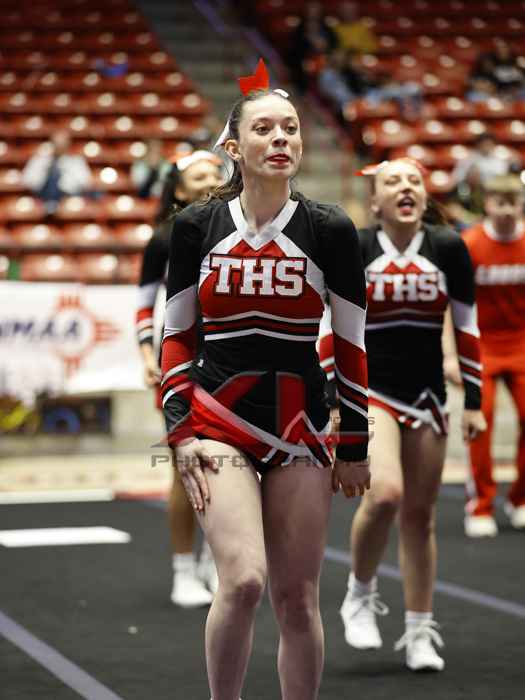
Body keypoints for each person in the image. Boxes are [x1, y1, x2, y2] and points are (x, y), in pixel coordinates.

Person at [161, 59, 370, 700]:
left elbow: (352, 345)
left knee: (297, 598)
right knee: (244, 580)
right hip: (218, 420)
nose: (281, 138)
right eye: (264, 129)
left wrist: (355, 443)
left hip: (300, 424)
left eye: (291, 128)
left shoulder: (330, 228)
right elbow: (175, 336)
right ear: (233, 147)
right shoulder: (196, 226)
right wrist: (179, 431)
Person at [335, 158, 486, 672]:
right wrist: (334, 397)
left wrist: (474, 399)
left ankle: (420, 630)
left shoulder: (447, 247)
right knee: (385, 495)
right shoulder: (357, 246)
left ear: (424, 196)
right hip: (372, 390)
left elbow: (466, 327)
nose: (405, 188)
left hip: (427, 396)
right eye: (393, 182)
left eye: (414, 181)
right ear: (375, 201)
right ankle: (359, 592)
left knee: (420, 518)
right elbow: (334, 325)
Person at [136, 150, 223, 606]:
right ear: (181, 190)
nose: (210, 180)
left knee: (230, 467)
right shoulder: (164, 239)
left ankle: (214, 561)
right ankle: (183, 569)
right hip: (181, 362)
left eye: (216, 172)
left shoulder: (240, 231)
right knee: (183, 468)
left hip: (229, 364)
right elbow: (143, 305)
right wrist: (146, 354)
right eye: (199, 175)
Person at [446, 175, 525, 536]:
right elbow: (451, 305)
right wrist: (451, 355)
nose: (506, 210)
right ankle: (480, 505)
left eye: (513, 202)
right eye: (499, 202)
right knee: (480, 422)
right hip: (481, 348)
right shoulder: (471, 244)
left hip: (521, 346)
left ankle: (519, 499)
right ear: (487, 204)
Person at [21, 129, 92, 214]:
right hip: (41, 199)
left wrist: (66, 172)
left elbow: (86, 183)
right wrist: (44, 168)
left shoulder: (76, 161)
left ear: (68, 145)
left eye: (62, 145)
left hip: (69, 199)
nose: (59, 148)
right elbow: (26, 181)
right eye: (56, 144)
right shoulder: (39, 159)